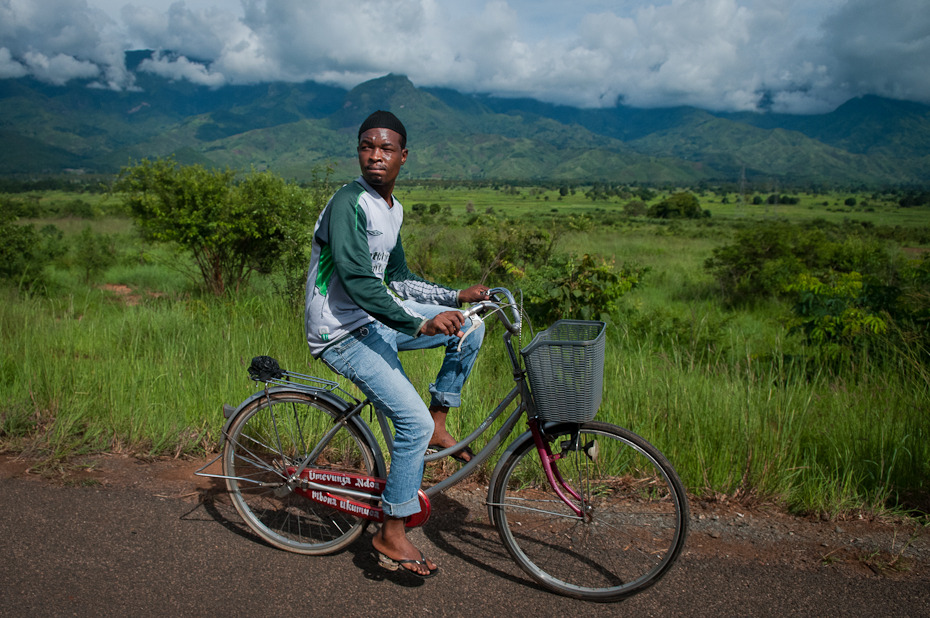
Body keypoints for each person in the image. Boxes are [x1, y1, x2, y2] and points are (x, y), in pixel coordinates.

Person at [304, 110, 489, 578]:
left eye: (386, 149)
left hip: (375, 320)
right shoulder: (349, 203)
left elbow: (398, 279)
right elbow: (359, 280)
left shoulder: (392, 208)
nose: (375, 156)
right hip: (341, 332)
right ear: (359, 152)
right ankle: (391, 529)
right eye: (367, 147)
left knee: (471, 326)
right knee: (409, 424)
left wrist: (454, 298)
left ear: (403, 157)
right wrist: (419, 326)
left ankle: (439, 420)